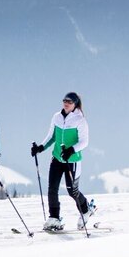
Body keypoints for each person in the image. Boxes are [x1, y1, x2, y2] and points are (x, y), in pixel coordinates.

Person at [30, 91, 97, 231]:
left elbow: (84, 142)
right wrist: (40, 148)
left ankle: (85, 210)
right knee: (52, 188)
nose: (66, 104)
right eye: (64, 101)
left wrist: (71, 150)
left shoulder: (80, 120)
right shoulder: (57, 117)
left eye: (70, 102)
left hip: (72, 160)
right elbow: (52, 136)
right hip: (57, 158)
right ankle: (54, 218)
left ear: (75, 104)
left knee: (72, 190)